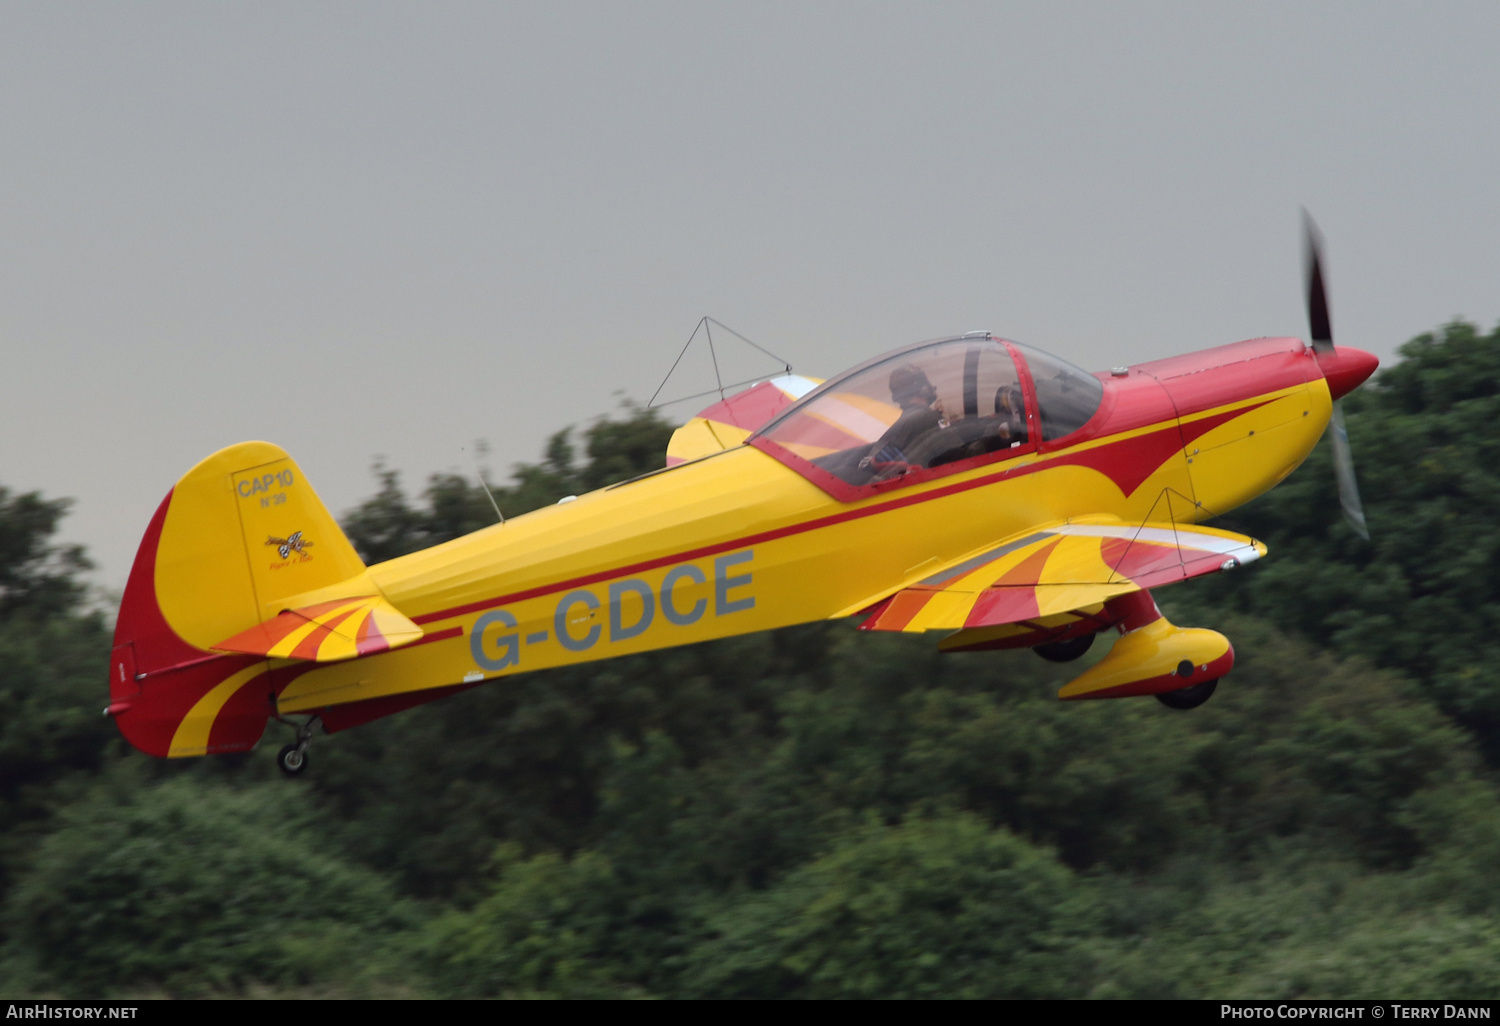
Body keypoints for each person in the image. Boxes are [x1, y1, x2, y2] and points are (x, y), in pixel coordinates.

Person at [861, 363, 948, 473]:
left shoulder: (905, 422)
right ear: (921, 388)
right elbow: (955, 454)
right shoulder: (930, 418)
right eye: (924, 382)